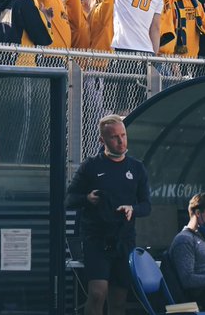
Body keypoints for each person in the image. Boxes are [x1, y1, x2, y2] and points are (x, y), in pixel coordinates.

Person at [65, 114, 151, 315]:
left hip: (124, 239)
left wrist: (133, 209)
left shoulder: (136, 168)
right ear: (102, 140)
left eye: (123, 135)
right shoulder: (91, 166)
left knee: (119, 299)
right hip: (96, 239)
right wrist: (87, 198)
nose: (121, 141)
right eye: (114, 137)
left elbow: (147, 206)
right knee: (97, 293)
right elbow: (69, 199)